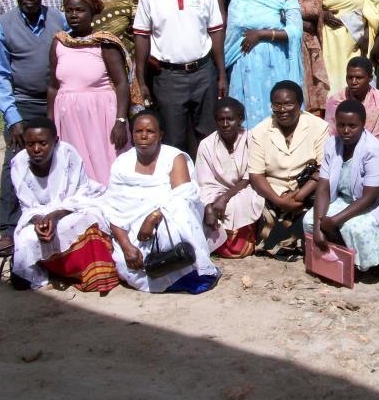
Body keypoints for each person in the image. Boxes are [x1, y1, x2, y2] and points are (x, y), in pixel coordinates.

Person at [0, 0, 67, 257]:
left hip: (55, 100)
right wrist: (14, 118)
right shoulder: (3, 26)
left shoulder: (59, 19)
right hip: (22, 103)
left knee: (62, 158)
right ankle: (8, 230)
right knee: (15, 162)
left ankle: (62, 220)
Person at [103, 111, 223, 294]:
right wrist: (127, 246)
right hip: (133, 230)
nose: (143, 136)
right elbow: (113, 209)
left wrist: (153, 217)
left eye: (150, 131)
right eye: (138, 131)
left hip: (168, 222)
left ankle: (193, 272)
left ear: (160, 135)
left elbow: (183, 197)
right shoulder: (122, 163)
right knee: (128, 265)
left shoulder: (174, 157)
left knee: (181, 213)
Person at [133, 0, 227, 153]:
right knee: (174, 140)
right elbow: (142, 36)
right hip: (168, 79)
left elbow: (216, 31)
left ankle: (207, 185)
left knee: (208, 138)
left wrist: (221, 74)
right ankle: (179, 184)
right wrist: (141, 80)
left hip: (204, 74)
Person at [10, 118, 120, 292]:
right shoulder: (18, 163)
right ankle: (53, 270)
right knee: (26, 239)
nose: (36, 149)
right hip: (37, 216)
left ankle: (85, 270)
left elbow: (81, 192)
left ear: (56, 141)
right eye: (30, 144)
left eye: (42, 143)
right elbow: (27, 205)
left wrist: (55, 215)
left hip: (71, 209)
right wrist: (40, 220)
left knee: (91, 217)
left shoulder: (67, 153)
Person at [49, 0, 131, 186]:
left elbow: (121, 84)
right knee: (76, 168)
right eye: (69, 11)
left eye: (80, 10)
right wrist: (50, 121)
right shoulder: (59, 43)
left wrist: (120, 120)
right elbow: (53, 86)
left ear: (92, 13)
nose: (74, 15)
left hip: (101, 115)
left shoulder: (104, 43)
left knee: (106, 166)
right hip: (68, 117)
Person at [304, 100, 379, 272]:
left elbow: (369, 197)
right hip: (343, 198)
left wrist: (335, 221)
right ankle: (328, 262)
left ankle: (363, 267)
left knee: (354, 227)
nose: (346, 131)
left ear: (363, 125)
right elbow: (323, 187)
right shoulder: (331, 144)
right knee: (309, 220)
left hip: (370, 204)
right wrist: (319, 223)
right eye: (341, 125)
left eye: (352, 126)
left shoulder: (373, 150)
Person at [224, 0, 303, 129]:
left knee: (278, 111)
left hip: (277, 65)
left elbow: (295, 31)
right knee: (248, 116)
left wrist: (262, 34)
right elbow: (230, 38)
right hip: (246, 66)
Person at [248, 81, 329, 232]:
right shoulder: (259, 131)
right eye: (276, 105)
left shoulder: (318, 127)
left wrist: (298, 196)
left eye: (288, 104)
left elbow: (323, 168)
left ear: (300, 104)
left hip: (307, 191)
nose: (282, 109)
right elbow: (256, 174)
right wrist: (279, 201)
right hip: (272, 192)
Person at [196, 97, 264, 258]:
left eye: (230, 119)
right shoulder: (206, 144)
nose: (225, 124)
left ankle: (244, 242)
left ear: (240, 119)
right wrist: (209, 206)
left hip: (246, 187)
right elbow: (204, 181)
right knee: (200, 204)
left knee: (244, 200)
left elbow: (251, 175)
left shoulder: (251, 139)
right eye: (221, 119)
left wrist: (226, 197)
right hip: (215, 189)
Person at [271, 0, 330, 113]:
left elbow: (314, 10)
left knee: (311, 92)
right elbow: (271, 14)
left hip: (307, 46)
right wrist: (301, 22)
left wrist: (286, 11)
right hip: (281, 44)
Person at [325, 57, 379, 142]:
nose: (353, 82)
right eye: (350, 77)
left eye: (359, 78)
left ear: (370, 78)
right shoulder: (335, 101)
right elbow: (331, 136)